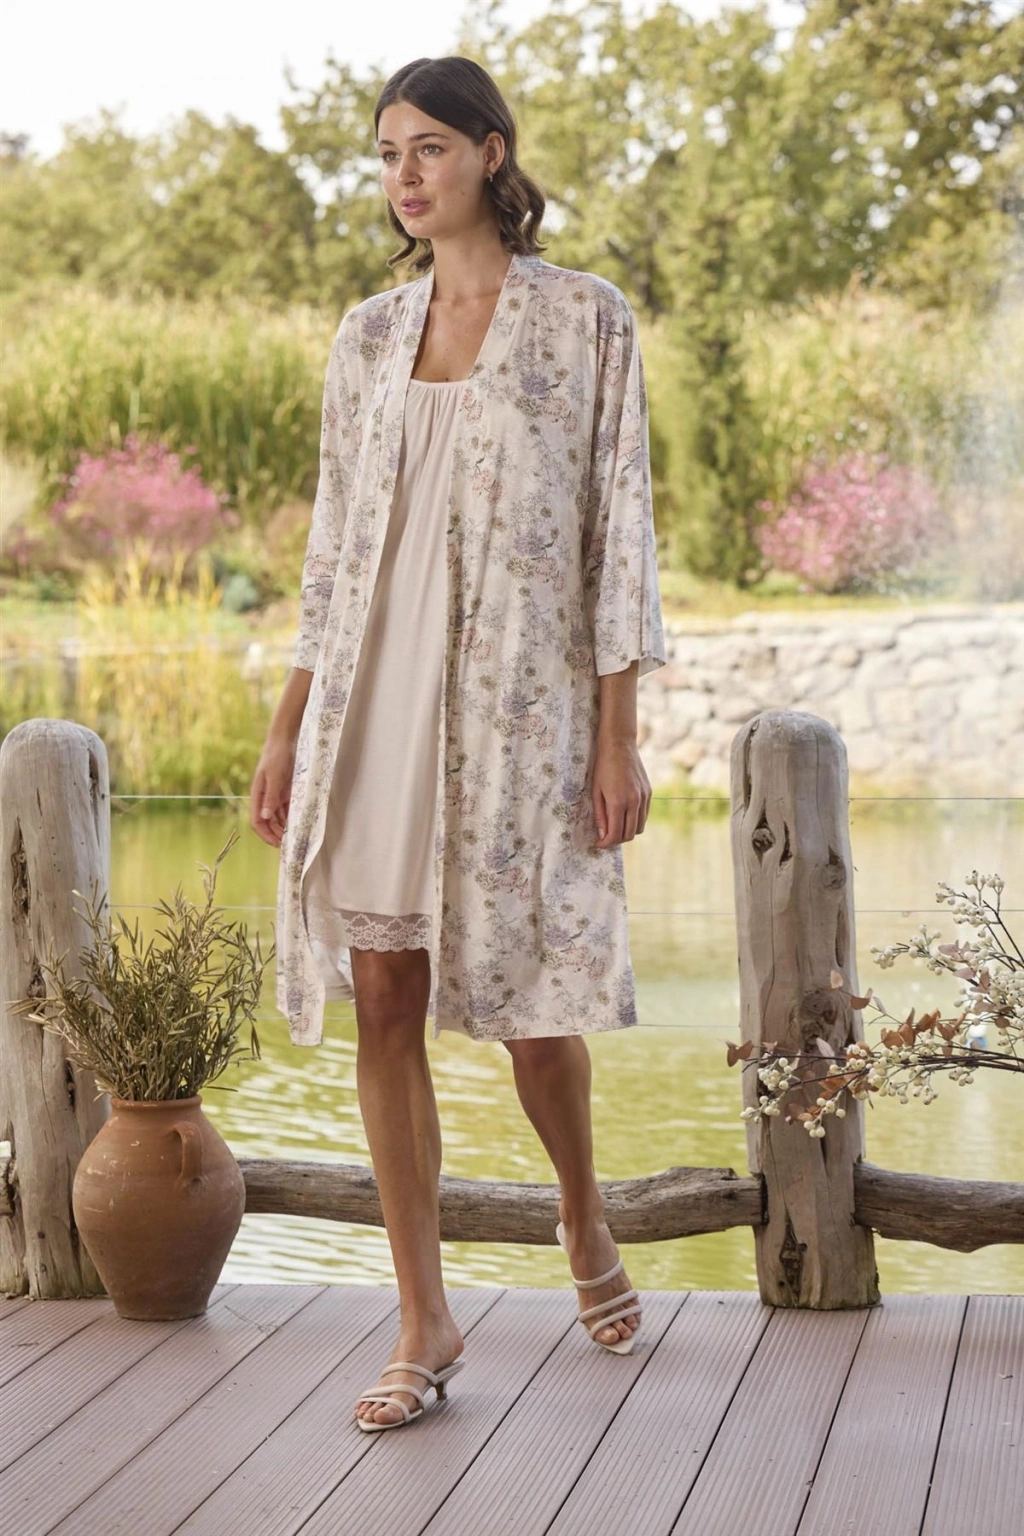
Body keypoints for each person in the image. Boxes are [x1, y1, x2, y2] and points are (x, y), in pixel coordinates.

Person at [249, 55, 666, 1432]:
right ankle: (423, 1318)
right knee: (385, 994)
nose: (404, 177)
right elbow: (332, 547)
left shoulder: (586, 319)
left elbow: (618, 535)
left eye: (428, 147)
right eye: (387, 155)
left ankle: (581, 1211)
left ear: (492, 152)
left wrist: (618, 736)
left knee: (535, 1010)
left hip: (519, 711)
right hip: (373, 698)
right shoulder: (368, 337)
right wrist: (288, 726)